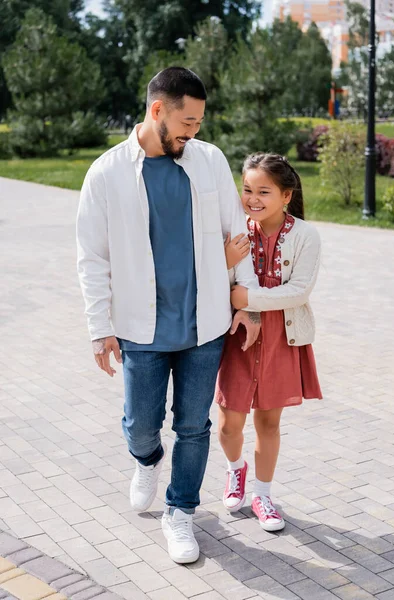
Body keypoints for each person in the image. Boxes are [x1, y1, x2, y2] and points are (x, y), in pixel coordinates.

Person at [76, 67, 260, 564]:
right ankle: (147, 459)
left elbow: (235, 230)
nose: (193, 132)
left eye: (199, 124)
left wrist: (249, 302)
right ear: (157, 110)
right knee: (141, 424)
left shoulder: (209, 160)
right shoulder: (107, 172)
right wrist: (100, 328)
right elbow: (92, 256)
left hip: (206, 324)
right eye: (187, 122)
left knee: (194, 425)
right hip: (141, 326)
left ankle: (180, 512)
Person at [216, 153, 322, 531]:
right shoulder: (235, 231)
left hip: (282, 337)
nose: (253, 199)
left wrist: (249, 300)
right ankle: (235, 470)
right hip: (237, 337)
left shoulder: (306, 236)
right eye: (247, 190)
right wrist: (242, 306)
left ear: (286, 195)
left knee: (268, 423)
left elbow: (299, 291)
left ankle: (262, 494)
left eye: (264, 191)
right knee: (229, 422)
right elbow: (222, 282)